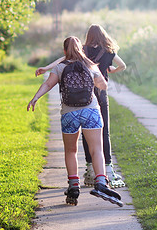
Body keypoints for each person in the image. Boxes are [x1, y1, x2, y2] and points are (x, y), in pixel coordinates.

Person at [28, 36, 123, 207]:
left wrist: (35, 98)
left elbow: (48, 85)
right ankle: (101, 182)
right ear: (81, 49)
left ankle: (73, 186)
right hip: (91, 111)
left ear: (65, 51)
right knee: (96, 149)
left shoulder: (60, 67)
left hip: (69, 113)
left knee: (71, 151)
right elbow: (103, 86)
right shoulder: (90, 65)